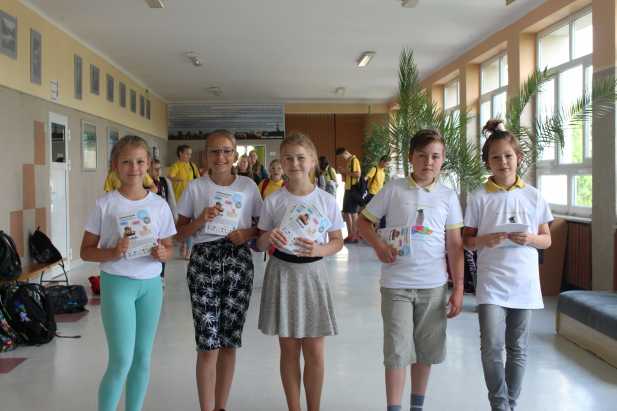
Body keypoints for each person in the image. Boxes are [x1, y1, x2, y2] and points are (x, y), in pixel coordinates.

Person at [357, 129, 465, 411]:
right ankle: (394, 407)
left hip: (433, 287)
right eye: (422, 155)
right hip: (396, 286)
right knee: (396, 351)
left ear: (443, 159)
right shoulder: (394, 189)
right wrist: (379, 246)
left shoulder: (448, 196)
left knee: (425, 352)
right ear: (410, 158)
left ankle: (417, 406)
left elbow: (455, 246)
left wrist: (459, 288)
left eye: (435, 156)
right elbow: (363, 222)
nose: (428, 162)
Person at [80, 135, 176, 411]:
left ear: (149, 164)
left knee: (142, 358)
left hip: (151, 286)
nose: (134, 168)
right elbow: (86, 251)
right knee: (121, 360)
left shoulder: (159, 205)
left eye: (140, 162)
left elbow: (168, 246)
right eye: (126, 162)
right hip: (117, 284)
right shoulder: (105, 204)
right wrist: (113, 252)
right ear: (115, 165)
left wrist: (163, 254)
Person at [463, 119, 552, 411]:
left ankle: (510, 404)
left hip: (525, 284)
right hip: (491, 283)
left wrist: (530, 239)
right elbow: (467, 241)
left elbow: (546, 240)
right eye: (496, 157)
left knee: (518, 348)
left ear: (519, 157)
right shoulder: (478, 196)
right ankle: (500, 404)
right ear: (488, 162)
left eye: (508, 156)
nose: (503, 162)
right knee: (491, 346)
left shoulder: (534, 196)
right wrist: (484, 240)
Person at [175, 129, 263, 411]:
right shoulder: (195, 188)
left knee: (228, 342)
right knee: (207, 343)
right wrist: (201, 219)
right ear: (206, 155)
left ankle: (220, 406)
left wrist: (246, 233)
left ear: (235, 155)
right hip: (204, 263)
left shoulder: (248, 186)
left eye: (226, 151)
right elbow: (179, 233)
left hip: (238, 262)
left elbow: (261, 227)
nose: (221, 156)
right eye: (215, 151)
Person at [256, 132, 344, 411]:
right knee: (289, 349)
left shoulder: (326, 200)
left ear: (312, 161)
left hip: (313, 275)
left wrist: (320, 249)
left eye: (300, 158)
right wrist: (268, 236)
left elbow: (337, 241)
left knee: (315, 351)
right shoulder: (273, 200)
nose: (294, 163)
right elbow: (259, 244)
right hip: (282, 274)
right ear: (281, 162)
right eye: (288, 158)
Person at [168, 144, 200, 259]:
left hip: (192, 199)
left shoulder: (192, 166)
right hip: (179, 200)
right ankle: (183, 244)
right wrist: (178, 179)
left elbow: (198, 179)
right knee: (182, 225)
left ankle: (188, 249)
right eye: (187, 154)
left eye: (190, 154)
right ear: (180, 154)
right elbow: (169, 177)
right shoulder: (176, 166)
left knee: (190, 224)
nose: (189, 156)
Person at [149, 159, 177, 282]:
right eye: (155, 169)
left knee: (163, 248)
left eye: (159, 168)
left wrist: (174, 216)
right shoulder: (143, 184)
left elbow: (171, 200)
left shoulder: (164, 181)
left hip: (162, 222)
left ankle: (161, 277)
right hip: (148, 223)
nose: (158, 171)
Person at [335, 147, 361, 243]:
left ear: (345, 153)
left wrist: (345, 172)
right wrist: (344, 173)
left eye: (342, 157)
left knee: (353, 213)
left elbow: (358, 174)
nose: (342, 159)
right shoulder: (349, 161)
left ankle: (354, 235)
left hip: (353, 189)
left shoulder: (354, 160)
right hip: (348, 189)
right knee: (347, 212)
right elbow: (350, 175)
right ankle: (351, 234)